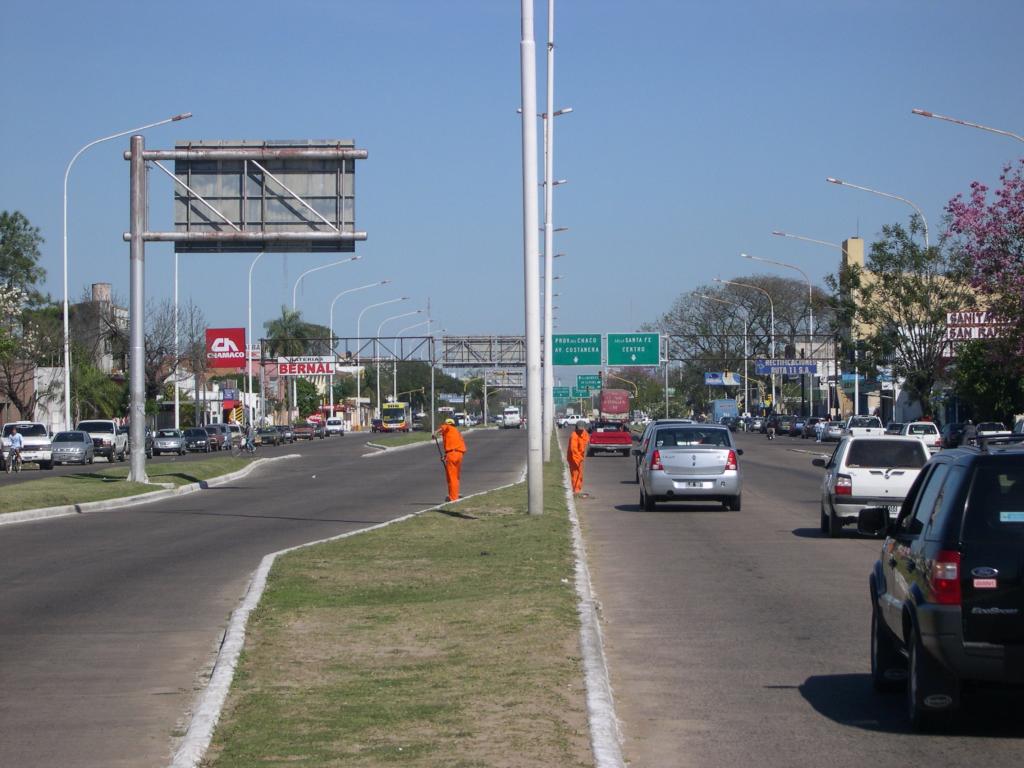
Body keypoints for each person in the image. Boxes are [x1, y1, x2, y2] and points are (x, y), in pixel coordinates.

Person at [434, 417, 466, 501]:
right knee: (455, 477)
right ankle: (454, 494)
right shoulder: (456, 432)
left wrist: (435, 432)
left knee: (451, 477)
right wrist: (446, 456)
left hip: (452, 454)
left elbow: (444, 427)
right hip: (459, 454)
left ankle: (453, 497)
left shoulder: (448, 427)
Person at [568, 420, 589, 495]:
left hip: (580, 457)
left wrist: (583, 455)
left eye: (581, 429)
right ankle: (575, 489)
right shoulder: (573, 435)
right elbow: (573, 449)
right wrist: (579, 458)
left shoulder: (585, 434)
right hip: (573, 457)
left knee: (580, 473)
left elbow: (586, 443)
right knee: (575, 473)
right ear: (576, 428)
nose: (580, 431)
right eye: (579, 429)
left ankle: (578, 487)